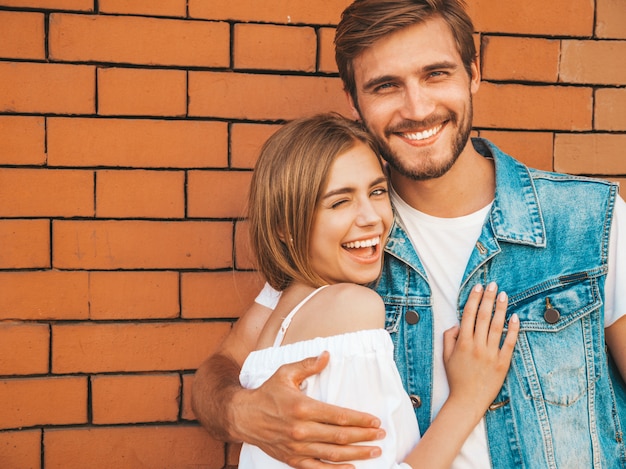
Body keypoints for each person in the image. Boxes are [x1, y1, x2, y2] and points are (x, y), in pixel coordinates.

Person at [192, 1, 626, 467]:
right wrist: (244, 413)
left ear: (473, 73)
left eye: (436, 74)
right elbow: (219, 375)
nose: (417, 109)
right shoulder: (342, 240)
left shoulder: (589, 219)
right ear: (353, 100)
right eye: (385, 86)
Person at [234, 113, 518, 468]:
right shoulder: (351, 308)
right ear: (284, 227)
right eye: (340, 202)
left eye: (377, 191)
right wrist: (469, 398)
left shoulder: (273, 327)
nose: (371, 217)